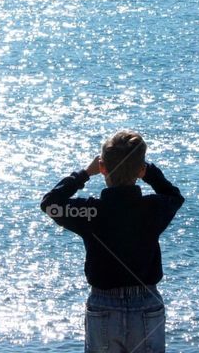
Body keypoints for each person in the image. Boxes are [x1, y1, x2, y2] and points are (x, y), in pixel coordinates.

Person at [41, 130, 184, 353]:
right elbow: (174, 196)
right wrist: (148, 172)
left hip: (103, 305)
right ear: (140, 170)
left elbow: (50, 203)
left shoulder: (90, 211)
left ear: (103, 168)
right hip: (146, 304)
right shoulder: (153, 208)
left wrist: (85, 173)